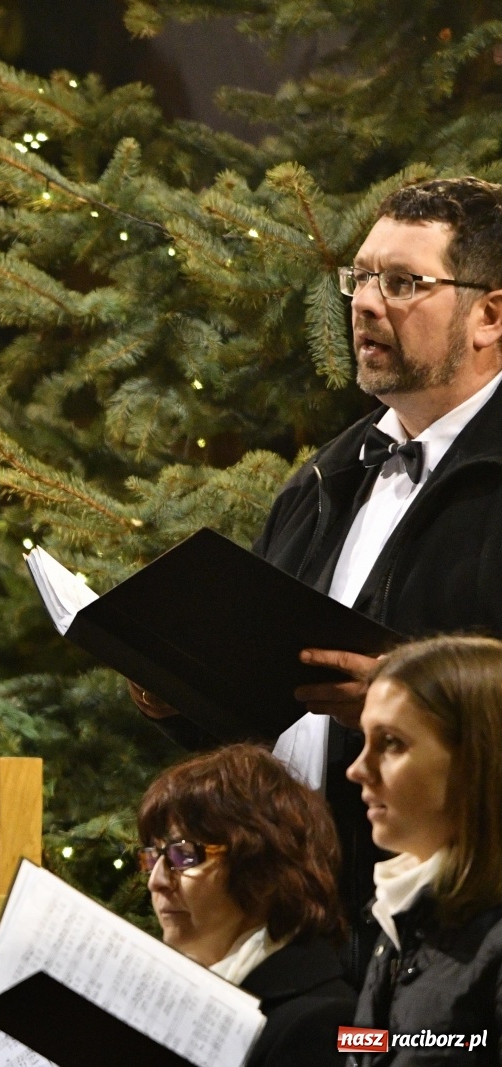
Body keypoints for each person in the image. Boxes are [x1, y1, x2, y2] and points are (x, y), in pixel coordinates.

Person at [135, 176, 502, 976]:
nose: (367, 304)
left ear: (490, 314)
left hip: (456, 940)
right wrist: (185, 689)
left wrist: (411, 702)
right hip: (305, 926)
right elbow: (274, 708)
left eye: (403, 283)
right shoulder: (324, 480)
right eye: (362, 277)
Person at [138, 745, 357, 1066]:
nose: (155, 881)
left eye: (182, 856)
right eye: (152, 858)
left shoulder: (325, 1022)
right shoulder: (171, 1000)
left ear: (265, 867)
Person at [346, 635, 502, 1065]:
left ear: (478, 759)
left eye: (391, 742)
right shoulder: (398, 918)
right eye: (363, 740)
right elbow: (368, 1046)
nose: (356, 769)